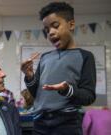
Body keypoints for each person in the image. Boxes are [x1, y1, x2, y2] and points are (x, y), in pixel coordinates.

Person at [21, 2, 96, 135]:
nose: (50, 32)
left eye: (55, 26)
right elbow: (35, 93)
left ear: (71, 25)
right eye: (46, 30)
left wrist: (67, 90)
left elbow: (89, 96)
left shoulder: (85, 56)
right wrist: (29, 76)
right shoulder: (45, 57)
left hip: (67, 123)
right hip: (39, 122)